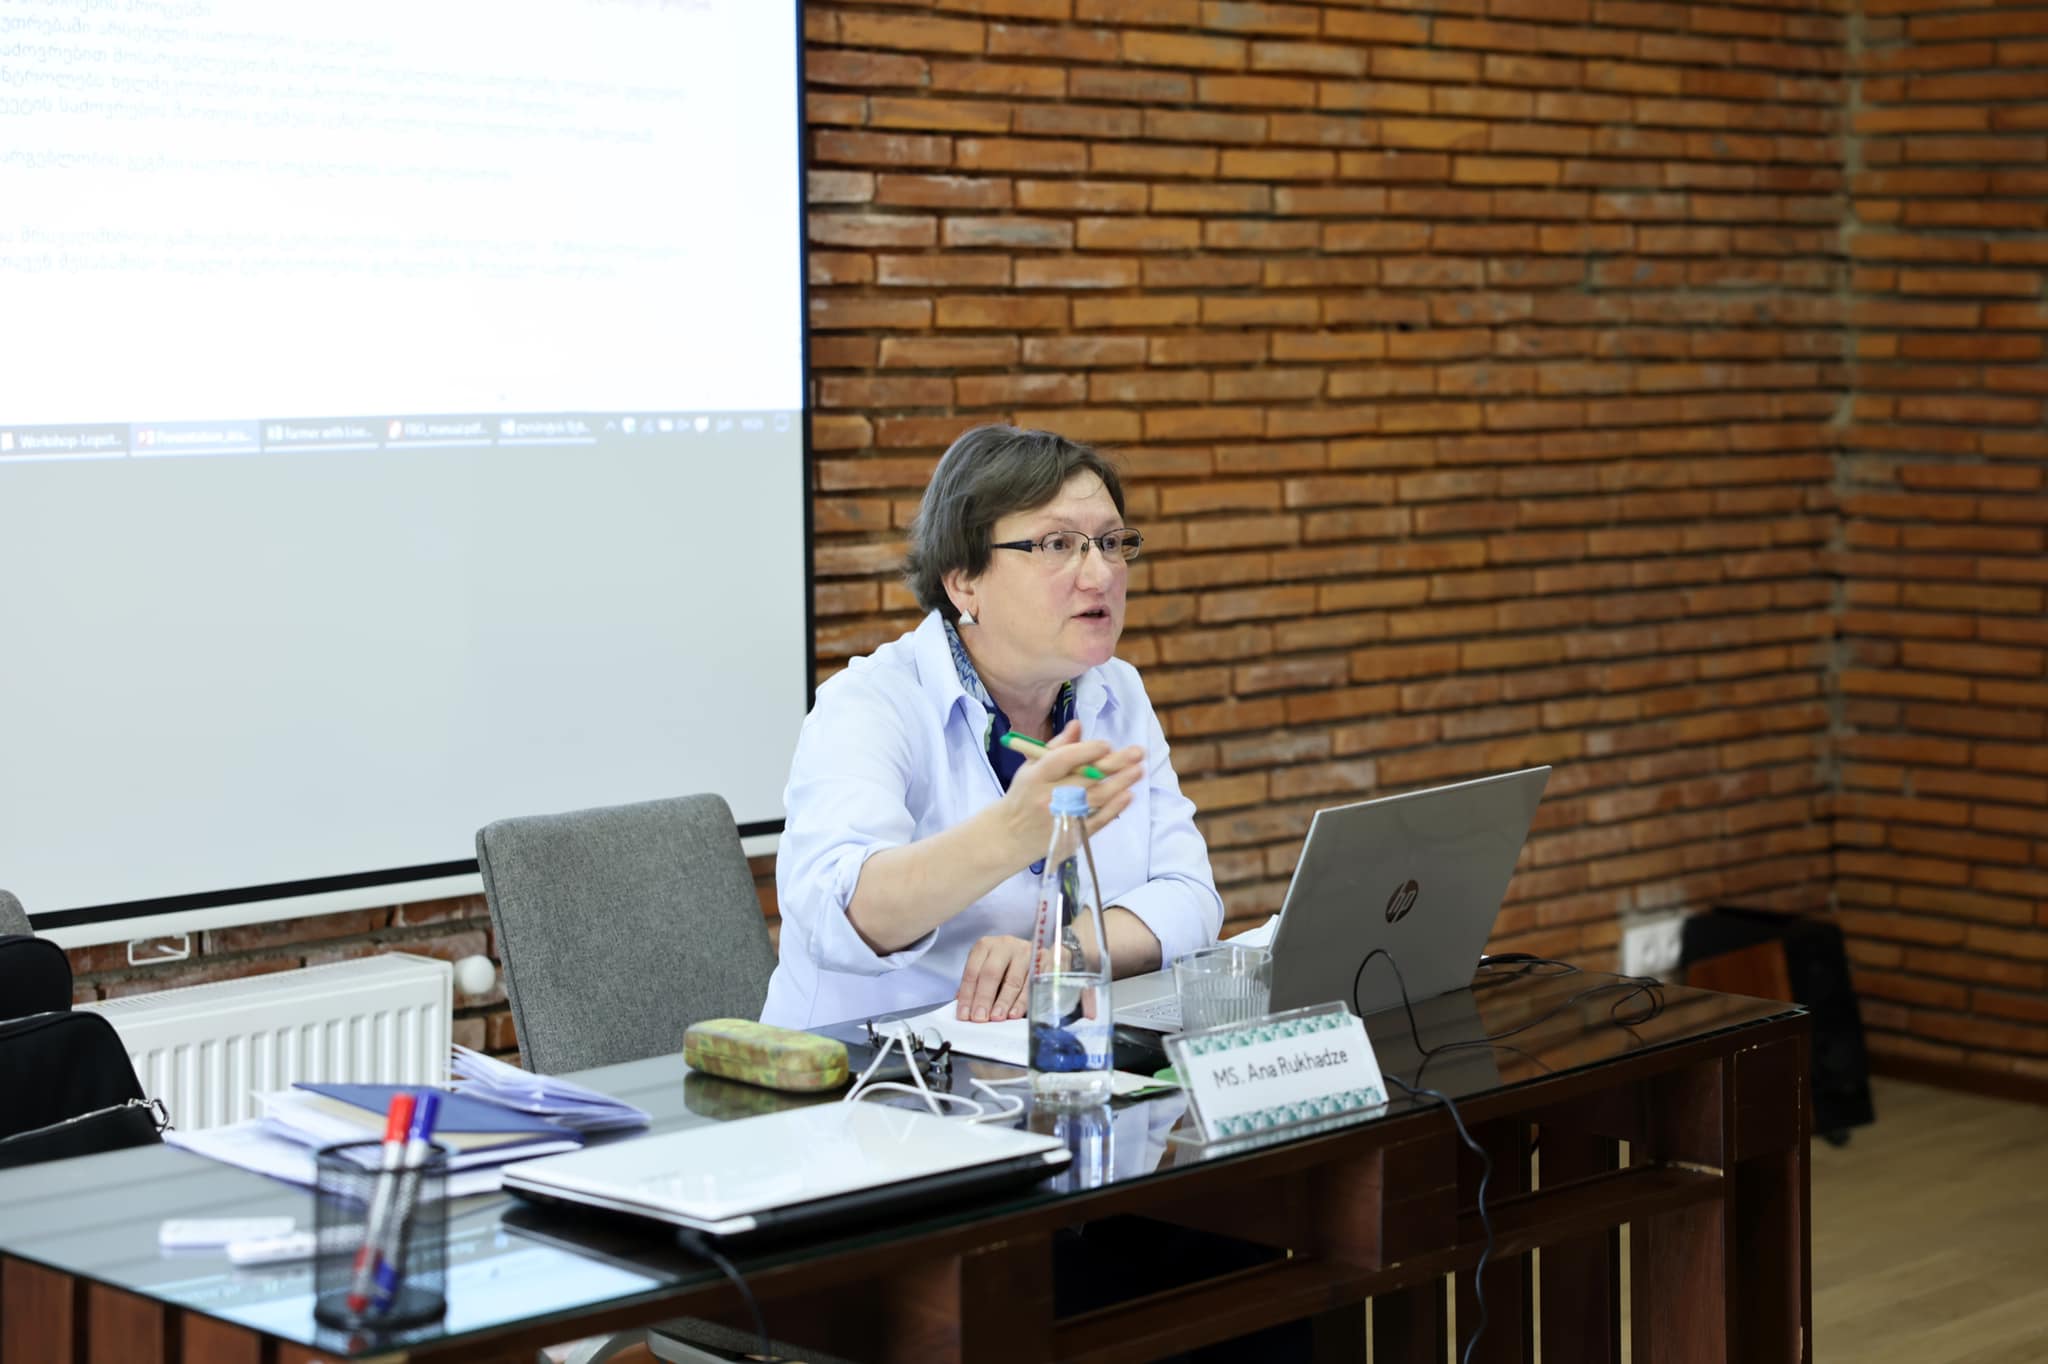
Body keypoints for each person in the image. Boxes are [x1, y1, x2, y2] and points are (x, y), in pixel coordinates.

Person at [761, 425, 1222, 1029]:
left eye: (1111, 543)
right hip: (868, 1065)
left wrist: (1063, 954)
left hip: (1037, 1054)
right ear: (963, 581)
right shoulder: (870, 702)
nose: (1101, 574)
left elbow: (1190, 893)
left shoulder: (1117, 690)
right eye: (1058, 544)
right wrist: (1012, 833)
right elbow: (838, 916)